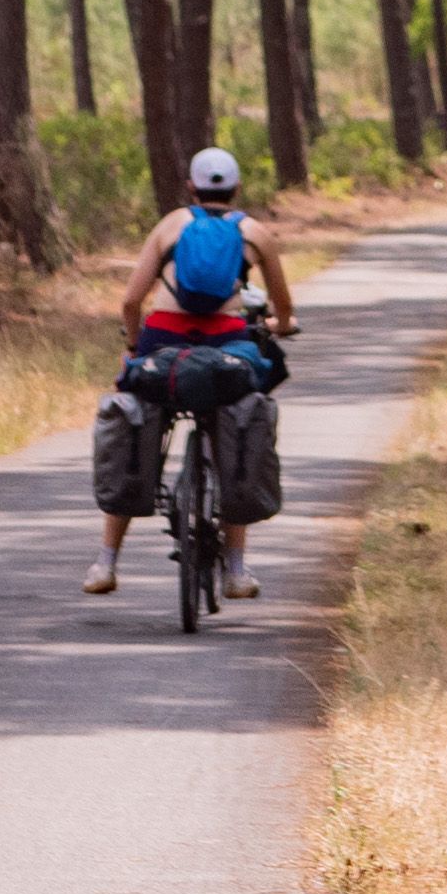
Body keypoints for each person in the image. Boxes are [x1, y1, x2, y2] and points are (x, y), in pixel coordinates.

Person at [86, 145, 295, 599]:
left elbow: (129, 302)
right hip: (227, 344)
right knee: (233, 428)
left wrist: (133, 346)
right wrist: (282, 325)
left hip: (164, 340)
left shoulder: (170, 225)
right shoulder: (254, 233)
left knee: (142, 419)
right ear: (237, 189)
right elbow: (283, 308)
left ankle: (106, 562)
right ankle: (237, 571)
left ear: (190, 187)